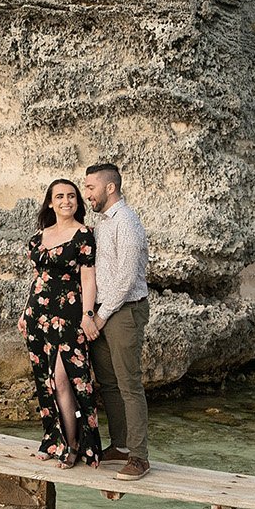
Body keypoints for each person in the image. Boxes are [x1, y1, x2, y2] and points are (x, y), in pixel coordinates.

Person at [19, 178, 106, 468]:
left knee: (63, 379)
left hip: (69, 316)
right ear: (50, 202)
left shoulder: (84, 235)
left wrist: (87, 314)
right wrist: (24, 311)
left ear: (78, 202)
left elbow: (88, 277)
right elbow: (38, 279)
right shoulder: (38, 237)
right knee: (45, 381)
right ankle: (54, 439)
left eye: (71, 196)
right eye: (59, 196)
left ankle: (72, 446)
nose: (66, 201)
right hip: (38, 316)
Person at [80, 160, 151, 479]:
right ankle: (120, 445)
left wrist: (101, 316)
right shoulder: (103, 222)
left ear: (110, 188)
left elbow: (126, 277)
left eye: (90, 187)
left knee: (129, 384)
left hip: (124, 311)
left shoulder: (128, 222)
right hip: (103, 312)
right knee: (108, 383)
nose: (86, 194)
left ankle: (139, 457)